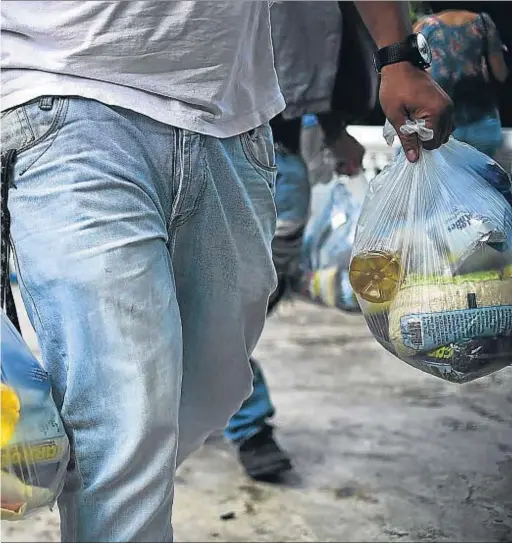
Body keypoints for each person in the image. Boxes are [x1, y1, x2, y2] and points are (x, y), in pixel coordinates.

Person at [1, 1, 452, 541]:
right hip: (65, 100)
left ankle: (98, 466)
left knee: (217, 386)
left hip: (233, 118)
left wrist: (399, 57)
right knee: (127, 414)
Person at [414, 9, 508, 158]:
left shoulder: (424, 27)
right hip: (481, 118)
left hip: (439, 123)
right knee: (479, 178)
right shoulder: (483, 22)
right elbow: (500, 73)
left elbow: (415, 77)